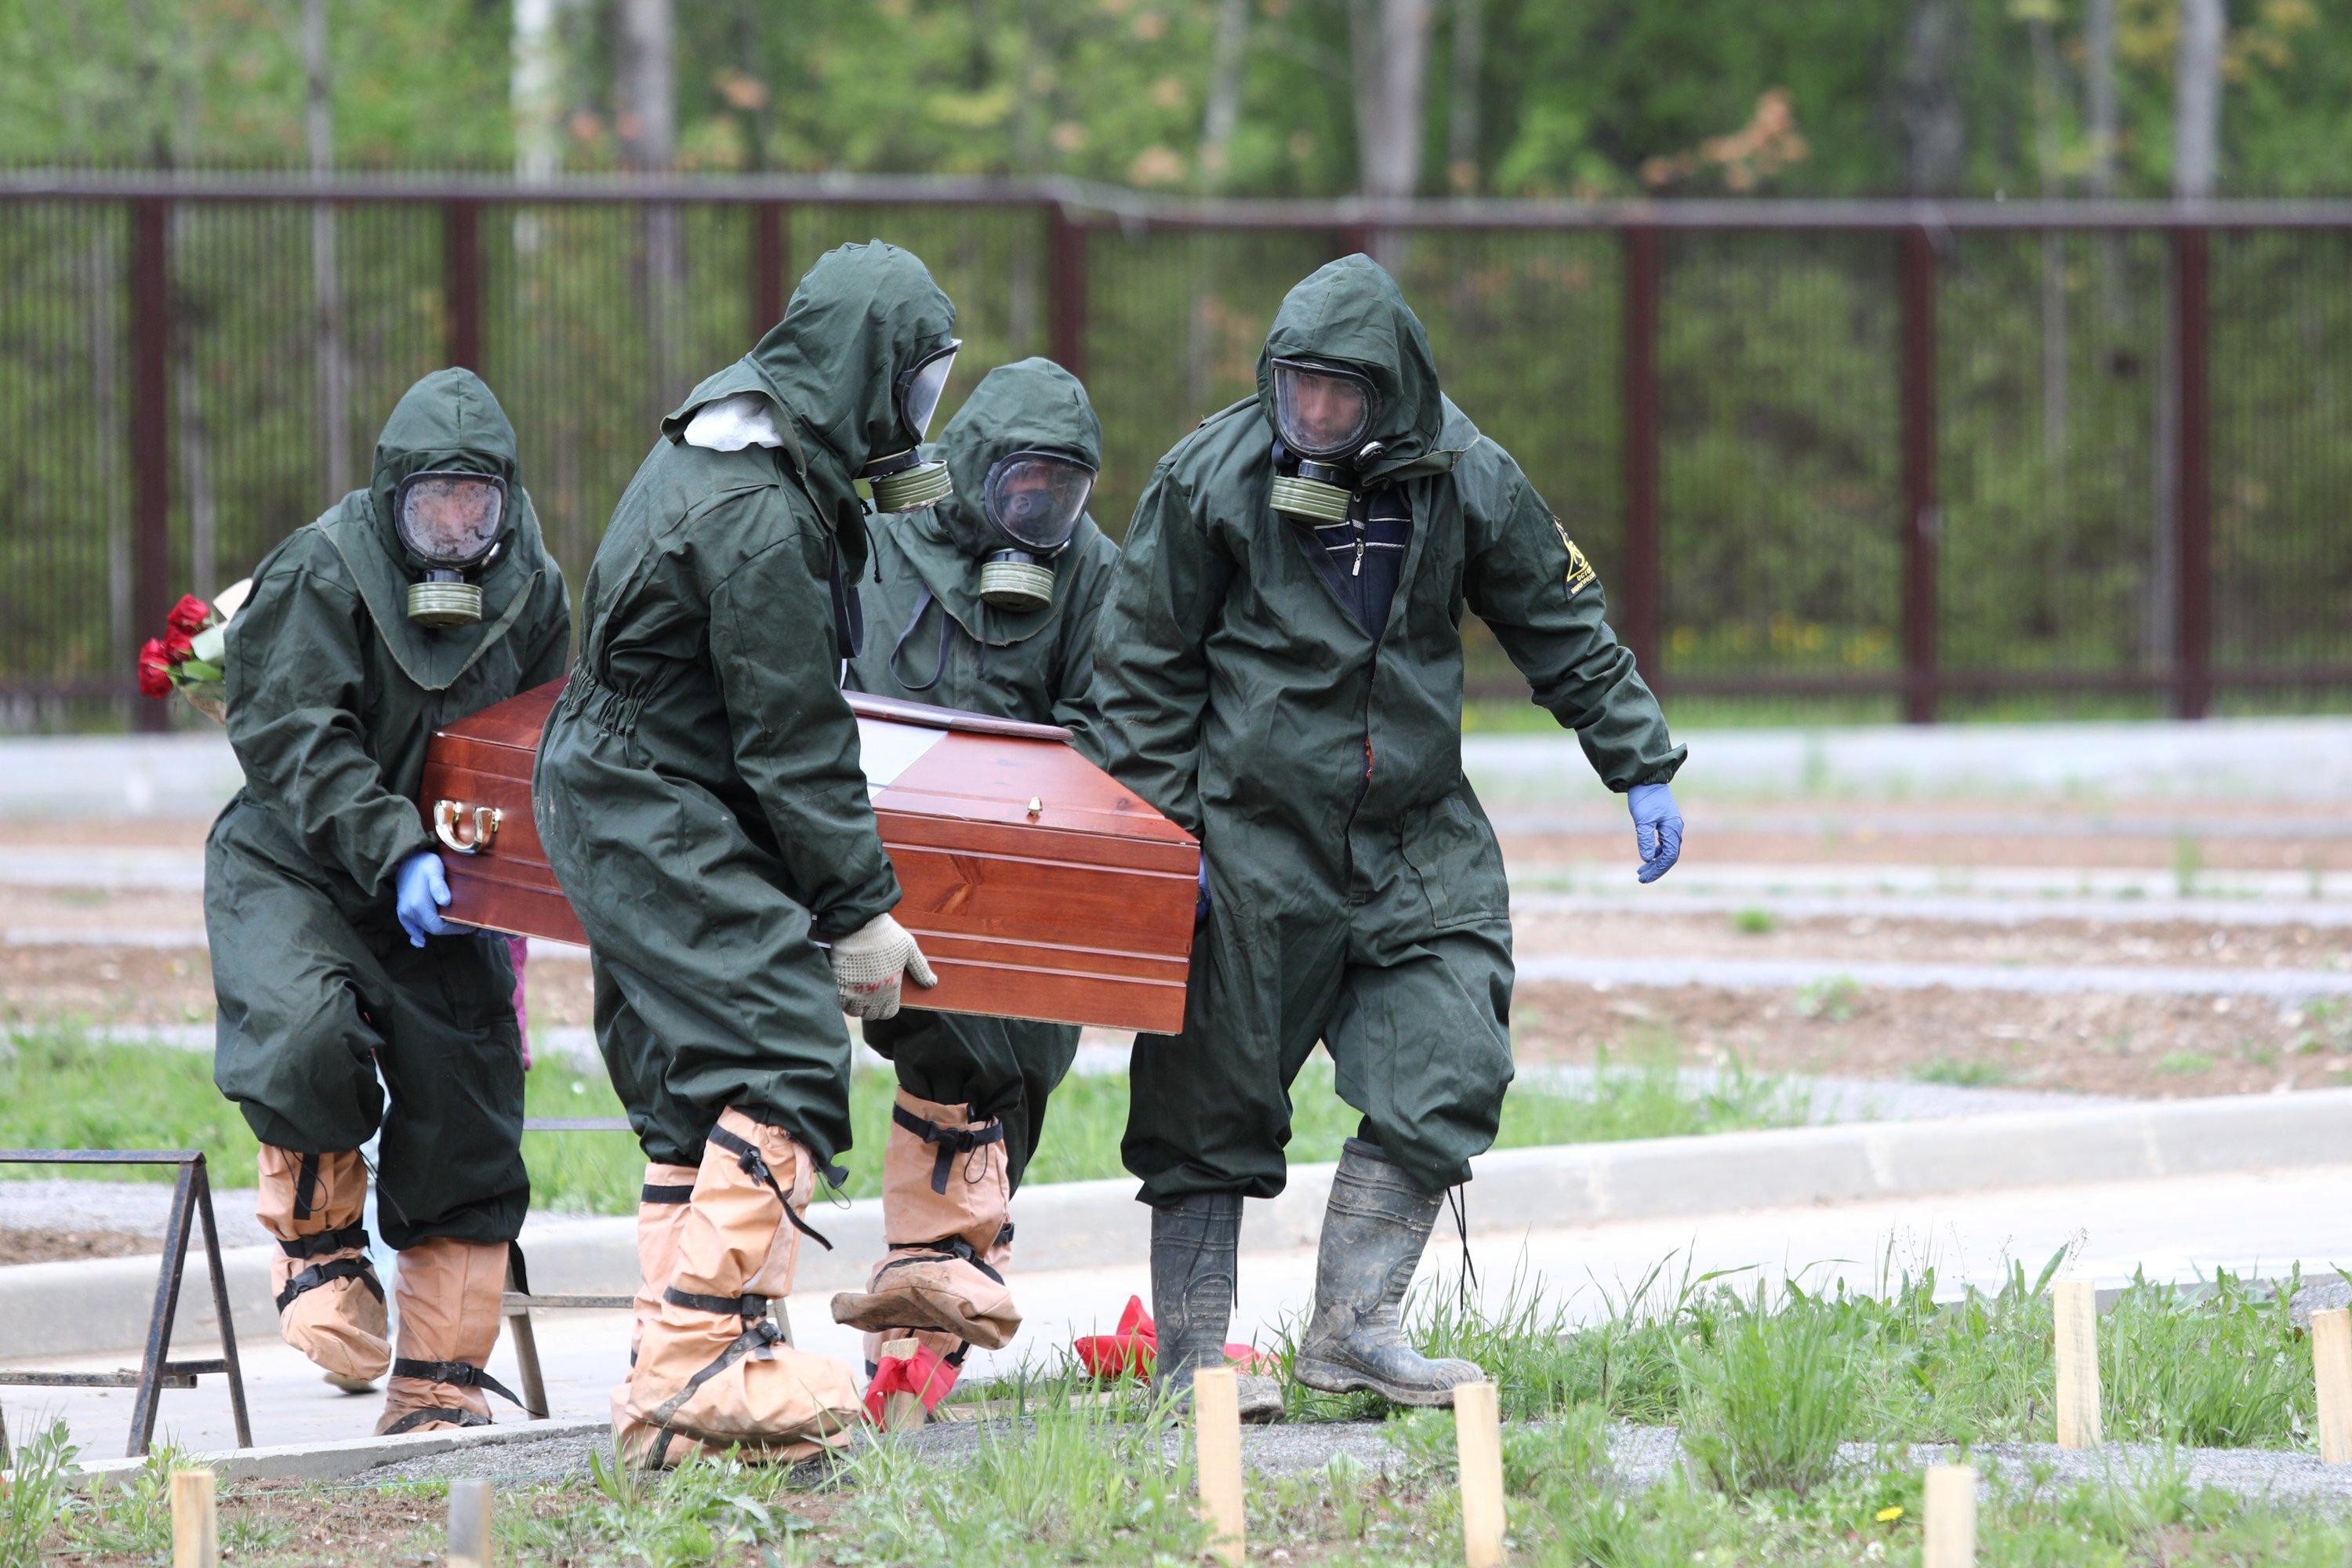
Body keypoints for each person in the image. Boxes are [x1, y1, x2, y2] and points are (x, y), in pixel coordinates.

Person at [1086, 255, 1687, 1416]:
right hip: (1248, 835)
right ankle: (1194, 1362)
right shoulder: (1208, 478)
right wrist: (1165, 838)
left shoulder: (1465, 475)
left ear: (1390, 393)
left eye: (1338, 397)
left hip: (1413, 834)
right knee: (1206, 1094)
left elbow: (1557, 618)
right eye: (1295, 389)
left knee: (1453, 1052)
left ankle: (1356, 1331)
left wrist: (1639, 758)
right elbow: (1138, 671)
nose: (1312, 418)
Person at [532, 241, 957, 1468]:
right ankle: (702, 1365)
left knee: (692, 1076)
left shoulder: (753, 454)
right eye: (913, 388)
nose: (917, 420)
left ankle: (676, 1398)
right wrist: (859, 908)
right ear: (860, 374)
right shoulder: (755, 513)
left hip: (641, 778)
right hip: (646, 790)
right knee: (777, 1035)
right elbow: (791, 737)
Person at [206, 368, 571, 1436]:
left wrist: (507, 890)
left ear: (505, 498)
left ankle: (441, 1381)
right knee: (303, 1035)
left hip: (446, 887)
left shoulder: (534, 588)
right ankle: (320, 1257)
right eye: (433, 506)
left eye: (478, 505)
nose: (457, 529)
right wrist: (392, 844)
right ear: (391, 499)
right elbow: (292, 738)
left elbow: (538, 746)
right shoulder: (322, 569)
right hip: (302, 864)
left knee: (470, 1101)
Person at [829, 357, 1120, 1414]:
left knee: (1023, 1051)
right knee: (942, 1037)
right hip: (880, 843)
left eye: (1064, 491)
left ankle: (940, 1294)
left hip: (1025, 856)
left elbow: (1120, 717)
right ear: (974, 469)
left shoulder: (1091, 571)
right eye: (1021, 486)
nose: (1040, 511)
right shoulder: (885, 537)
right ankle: (932, 1275)